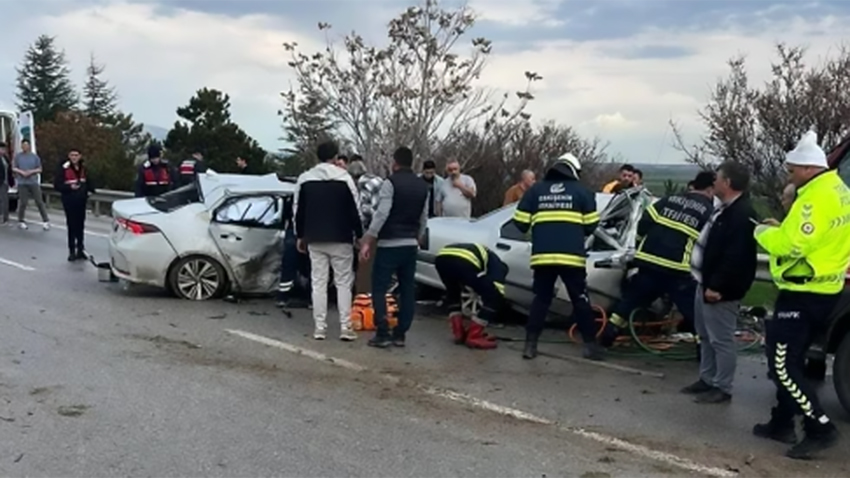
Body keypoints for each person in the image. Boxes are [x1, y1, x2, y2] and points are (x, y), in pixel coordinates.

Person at [752, 131, 850, 459]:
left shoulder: (813, 199)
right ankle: (781, 422)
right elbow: (815, 238)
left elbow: (792, 243)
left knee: (782, 364)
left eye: (792, 170)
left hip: (802, 292)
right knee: (793, 357)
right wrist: (781, 229)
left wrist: (763, 232)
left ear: (809, 169)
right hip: (826, 289)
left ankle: (819, 427)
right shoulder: (840, 191)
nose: (789, 175)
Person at [604, 171, 715, 345]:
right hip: (677, 269)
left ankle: (607, 336)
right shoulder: (708, 211)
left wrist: (641, 244)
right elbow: (708, 245)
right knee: (693, 311)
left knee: (630, 301)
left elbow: (644, 221)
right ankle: (704, 350)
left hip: (648, 261)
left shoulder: (669, 200)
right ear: (710, 189)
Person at [513, 153, 603, 360]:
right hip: (572, 258)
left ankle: (530, 346)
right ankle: (590, 346)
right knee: (580, 300)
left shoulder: (535, 190)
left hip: (542, 257)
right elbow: (591, 226)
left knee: (541, 300)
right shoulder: (583, 192)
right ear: (574, 170)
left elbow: (520, 223)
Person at [681, 162, 757, 404]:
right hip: (704, 283)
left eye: (718, 178)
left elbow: (736, 257)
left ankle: (722, 386)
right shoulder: (723, 209)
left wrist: (718, 286)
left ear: (729, 183)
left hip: (720, 289)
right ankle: (707, 378)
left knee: (721, 339)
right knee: (704, 335)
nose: (714, 182)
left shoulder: (742, 215)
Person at [359, 146, 429, 348]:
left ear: (395, 163)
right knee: (407, 289)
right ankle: (400, 333)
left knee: (379, 287)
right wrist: (418, 237)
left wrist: (369, 238)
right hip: (410, 245)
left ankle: (382, 332)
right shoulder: (422, 186)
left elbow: (382, 213)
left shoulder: (390, 183)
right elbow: (423, 217)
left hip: (390, 243)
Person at [294, 140, 362, 341]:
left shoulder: (305, 179)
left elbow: (298, 210)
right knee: (343, 282)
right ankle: (345, 326)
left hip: (315, 237)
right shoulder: (344, 178)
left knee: (319, 282)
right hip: (341, 237)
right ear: (335, 157)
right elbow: (354, 210)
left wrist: (300, 235)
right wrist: (358, 235)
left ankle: (320, 328)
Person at [436, 243, 508, 349]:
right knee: (494, 298)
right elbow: (498, 291)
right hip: (464, 260)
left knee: (453, 293)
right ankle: (474, 336)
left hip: (442, 257)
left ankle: (458, 333)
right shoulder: (499, 268)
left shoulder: (491, 258)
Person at [348, 158, 384, 294]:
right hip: (386, 231)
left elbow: (365, 211)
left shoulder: (362, 185)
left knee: (364, 271)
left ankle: (363, 304)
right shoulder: (379, 180)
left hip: (372, 232)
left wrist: (360, 235)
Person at [54, 148, 94, 261]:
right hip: (69, 200)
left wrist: (90, 190)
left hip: (81, 200)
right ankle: (72, 251)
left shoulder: (84, 168)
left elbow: (88, 181)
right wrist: (69, 187)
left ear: (80, 156)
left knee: (80, 225)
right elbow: (57, 185)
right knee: (71, 225)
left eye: (76, 155)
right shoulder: (64, 169)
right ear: (69, 156)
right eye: (72, 155)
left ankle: (80, 249)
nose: (74, 157)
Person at [276, 194, 310, 310]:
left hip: (293, 233)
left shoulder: (291, 198)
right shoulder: (313, 196)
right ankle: (311, 298)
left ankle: (283, 297)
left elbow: (283, 218)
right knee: (312, 267)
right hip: (309, 233)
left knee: (289, 266)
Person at [12, 139, 49, 230]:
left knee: (39, 201)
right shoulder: (18, 157)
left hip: (33, 181)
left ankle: (45, 221)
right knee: (23, 202)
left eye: (26, 145)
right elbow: (14, 168)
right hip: (22, 182)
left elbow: (40, 169)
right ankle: (21, 220)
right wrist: (21, 172)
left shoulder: (34, 157)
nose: (25, 147)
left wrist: (31, 172)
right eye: (23, 145)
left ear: (29, 146)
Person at [0, 142, 10, 225]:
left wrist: (11, 181)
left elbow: (8, 170)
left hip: (5, 182)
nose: (3, 151)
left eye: (4, 149)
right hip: (0, 181)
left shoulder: (6, 158)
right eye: (2, 149)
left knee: (5, 200)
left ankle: (5, 219)